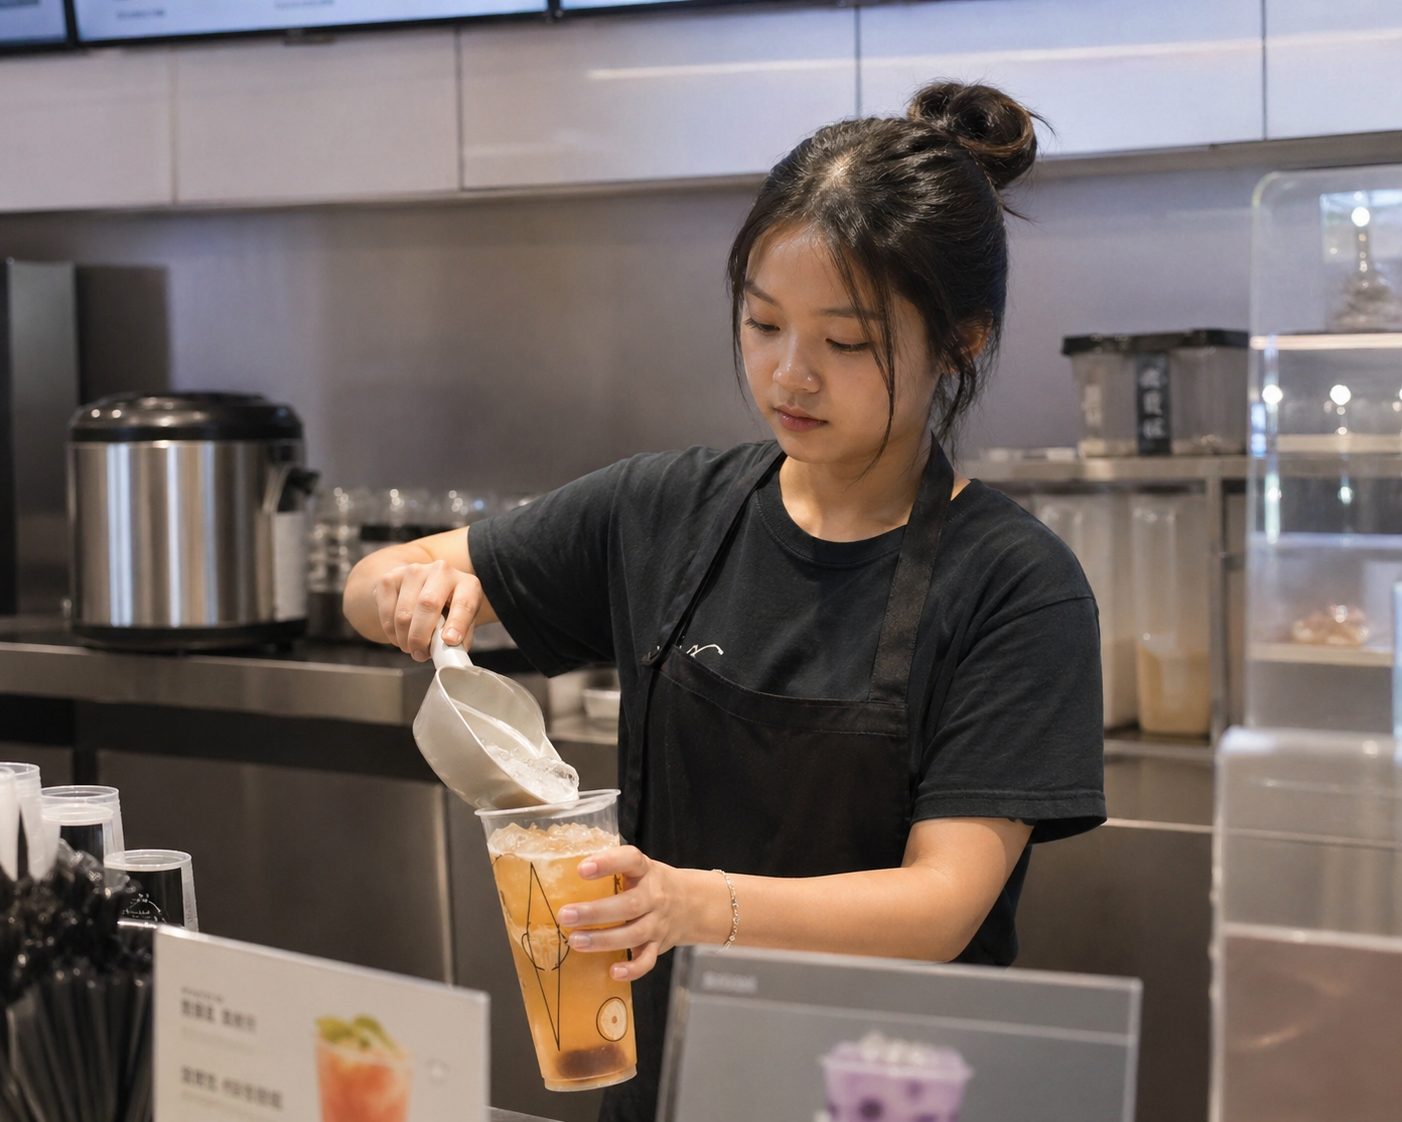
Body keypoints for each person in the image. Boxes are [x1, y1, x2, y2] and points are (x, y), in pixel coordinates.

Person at [343, 80, 1106, 1122]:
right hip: (670, 1081)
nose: (789, 374)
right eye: (761, 322)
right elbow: (374, 578)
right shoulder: (663, 508)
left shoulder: (1015, 587)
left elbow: (941, 904)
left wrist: (691, 903)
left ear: (961, 339)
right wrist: (409, 590)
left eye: (845, 343)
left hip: (882, 1090)